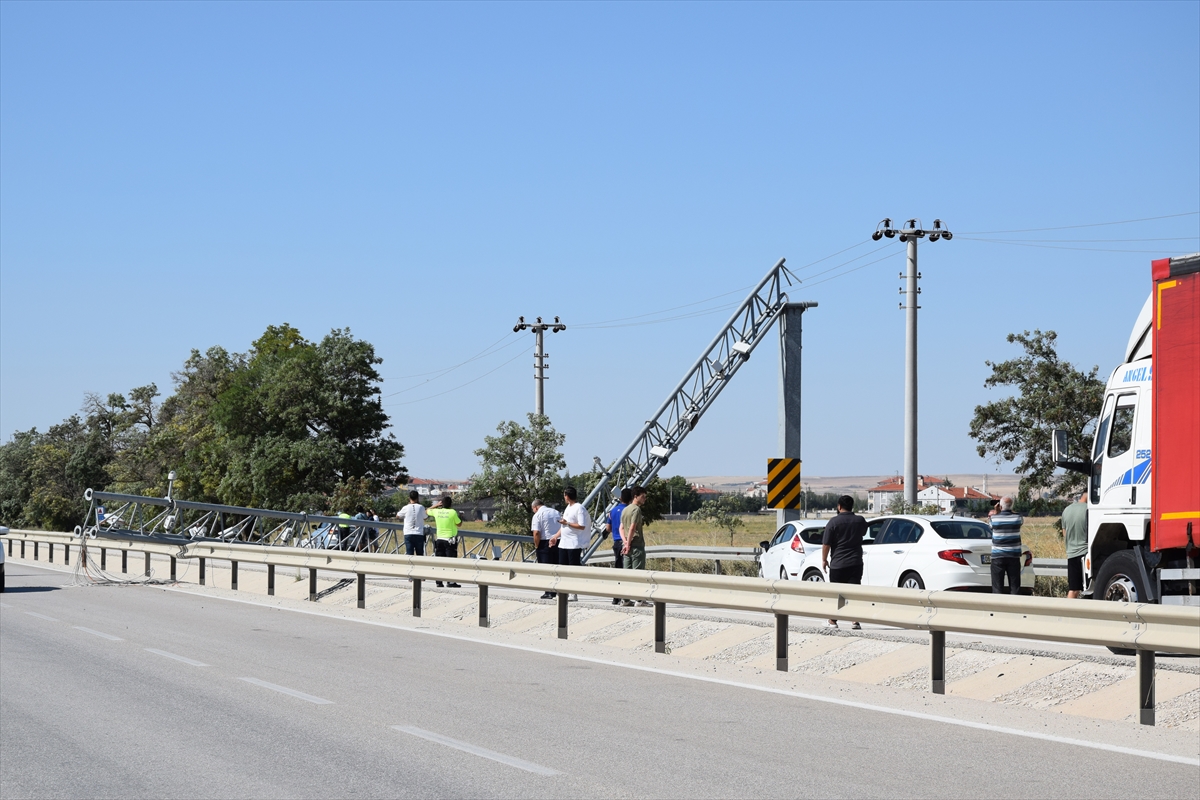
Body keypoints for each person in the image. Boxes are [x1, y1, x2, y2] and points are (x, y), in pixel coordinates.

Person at [821, 495, 867, 629]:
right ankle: (855, 621)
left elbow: (826, 544)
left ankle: (833, 621)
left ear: (839, 506)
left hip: (838, 564)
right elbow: (863, 533)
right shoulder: (860, 520)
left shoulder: (833, 522)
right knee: (854, 591)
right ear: (852, 506)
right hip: (856, 562)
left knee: (837, 592)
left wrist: (824, 559)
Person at [553, 486, 591, 601]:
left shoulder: (579, 508)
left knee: (572, 569)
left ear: (567, 496)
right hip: (564, 543)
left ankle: (573, 593)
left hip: (574, 543)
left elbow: (581, 525)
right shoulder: (568, 508)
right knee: (562, 568)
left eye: (564, 495)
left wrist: (568, 523)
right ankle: (562, 592)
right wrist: (555, 537)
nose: (564, 497)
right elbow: (564, 525)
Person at [620, 486, 651, 606]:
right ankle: (639, 599)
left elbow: (621, 528)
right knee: (638, 573)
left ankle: (626, 598)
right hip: (636, 544)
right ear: (635, 496)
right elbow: (632, 527)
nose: (644, 499)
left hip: (626, 545)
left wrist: (625, 542)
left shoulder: (625, 509)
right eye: (643, 496)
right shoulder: (636, 510)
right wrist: (629, 543)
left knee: (627, 573)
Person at [990, 495, 1024, 595]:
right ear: (1012, 506)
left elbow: (991, 527)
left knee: (997, 587)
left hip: (998, 556)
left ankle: (997, 608)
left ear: (1000, 506)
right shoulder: (1018, 518)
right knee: (1014, 586)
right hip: (1013, 556)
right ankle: (1014, 608)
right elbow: (1020, 520)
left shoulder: (994, 519)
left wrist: (996, 512)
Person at [427, 495, 462, 588]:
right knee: (450, 562)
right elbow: (459, 524)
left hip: (439, 539)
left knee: (439, 561)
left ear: (442, 503)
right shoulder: (452, 512)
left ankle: (438, 581)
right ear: (451, 504)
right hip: (450, 540)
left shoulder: (437, 512)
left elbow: (426, 511)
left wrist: (436, 505)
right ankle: (450, 582)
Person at [530, 498, 562, 599]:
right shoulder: (556, 512)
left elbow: (536, 533)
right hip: (558, 540)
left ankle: (549, 591)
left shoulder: (537, 515)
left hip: (545, 542)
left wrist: (536, 545)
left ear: (535, 507)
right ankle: (557, 590)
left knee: (546, 568)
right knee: (556, 567)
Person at [606, 488, 632, 605]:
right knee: (626, 570)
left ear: (620, 497)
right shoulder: (628, 510)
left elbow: (608, 528)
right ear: (631, 498)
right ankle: (624, 596)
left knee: (618, 568)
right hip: (625, 542)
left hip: (616, 542)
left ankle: (616, 596)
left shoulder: (612, 511)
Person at [1061, 492, 1088, 599]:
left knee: (1073, 589)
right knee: (1090, 589)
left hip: (1071, 553)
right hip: (1086, 553)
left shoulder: (1067, 510)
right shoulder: (1089, 510)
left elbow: (1064, 533)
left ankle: (1067, 614)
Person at [398, 491, 428, 556]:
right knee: (420, 554)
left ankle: (410, 566)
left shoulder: (405, 507)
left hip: (408, 532)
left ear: (409, 498)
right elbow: (425, 517)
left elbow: (398, 516)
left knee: (409, 554)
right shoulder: (421, 507)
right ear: (417, 498)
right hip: (419, 533)